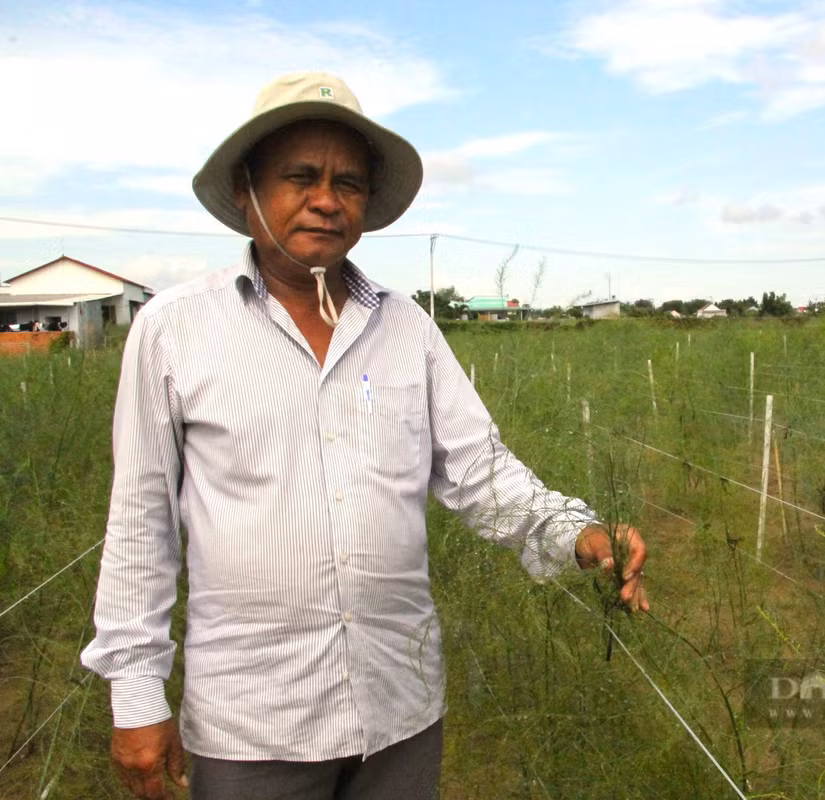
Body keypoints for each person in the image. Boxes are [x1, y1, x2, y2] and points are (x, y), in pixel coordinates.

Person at [82, 72, 648, 800]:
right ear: (248, 189)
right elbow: (141, 519)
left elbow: (479, 469)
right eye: (300, 177)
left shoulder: (407, 328)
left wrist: (578, 533)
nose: (326, 199)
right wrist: (136, 696)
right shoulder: (173, 329)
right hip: (252, 721)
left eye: (347, 183)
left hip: (399, 709)